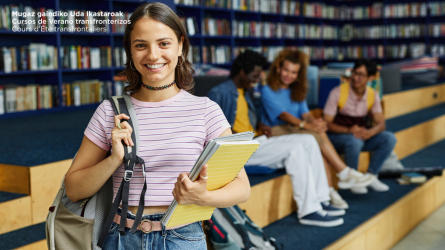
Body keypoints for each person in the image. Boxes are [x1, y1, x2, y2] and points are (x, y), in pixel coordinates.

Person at [64, 3, 250, 249]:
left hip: (182, 237)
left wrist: (204, 197)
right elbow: (74, 190)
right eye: (141, 45)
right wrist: (113, 159)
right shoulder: (110, 111)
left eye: (164, 43)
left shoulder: (206, 110)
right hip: (119, 238)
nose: (152, 55)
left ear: (181, 45)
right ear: (130, 52)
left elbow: (242, 187)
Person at [208, 50, 345, 227]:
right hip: (238, 152)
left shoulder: (244, 91)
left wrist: (259, 127)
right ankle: (309, 211)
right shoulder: (219, 93)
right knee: (295, 149)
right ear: (242, 72)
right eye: (255, 76)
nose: (257, 80)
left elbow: (243, 121)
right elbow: (212, 132)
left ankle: (321, 199)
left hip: (256, 141)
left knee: (309, 141)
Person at [261, 49, 374, 206]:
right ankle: (343, 172)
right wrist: (307, 125)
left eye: (294, 72)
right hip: (276, 132)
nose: (289, 75)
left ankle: (329, 190)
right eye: (286, 70)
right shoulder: (267, 90)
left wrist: (315, 123)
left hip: (295, 130)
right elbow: (284, 116)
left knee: (318, 144)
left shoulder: (296, 90)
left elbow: (305, 113)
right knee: (314, 135)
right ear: (278, 68)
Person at [324, 59, 397, 194]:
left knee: (389, 138)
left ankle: (371, 176)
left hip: (361, 135)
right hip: (338, 136)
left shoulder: (372, 94)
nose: (356, 78)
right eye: (354, 73)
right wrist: (347, 130)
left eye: (361, 75)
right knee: (354, 141)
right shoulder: (337, 92)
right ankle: (354, 178)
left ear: (370, 78)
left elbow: (381, 124)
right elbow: (326, 123)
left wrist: (370, 133)